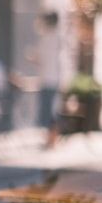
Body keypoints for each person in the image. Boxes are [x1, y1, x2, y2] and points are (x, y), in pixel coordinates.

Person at [32, 10, 62, 148]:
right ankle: (53, 137)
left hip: (46, 78)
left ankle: (51, 138)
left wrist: (32, 57)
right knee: (52, 108)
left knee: (48, 110)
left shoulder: (46, 38)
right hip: (55, 77)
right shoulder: (58, 38)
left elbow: (41, 59)